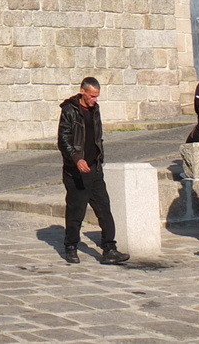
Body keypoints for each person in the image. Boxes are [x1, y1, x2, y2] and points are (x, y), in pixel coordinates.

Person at [56, 77, 130, 265]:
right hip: (76, 171)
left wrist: (99, 158)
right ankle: (71, 246)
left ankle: (109, 249)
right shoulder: (69, 111)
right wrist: (76, 158)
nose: (95, 100)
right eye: (92, 96)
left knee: (104, 209)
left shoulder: (95, 110)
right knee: (76, 210)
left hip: (94, 168)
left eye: (97, 97)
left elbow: (97, 136)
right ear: (82, 92)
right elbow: (63, 140)